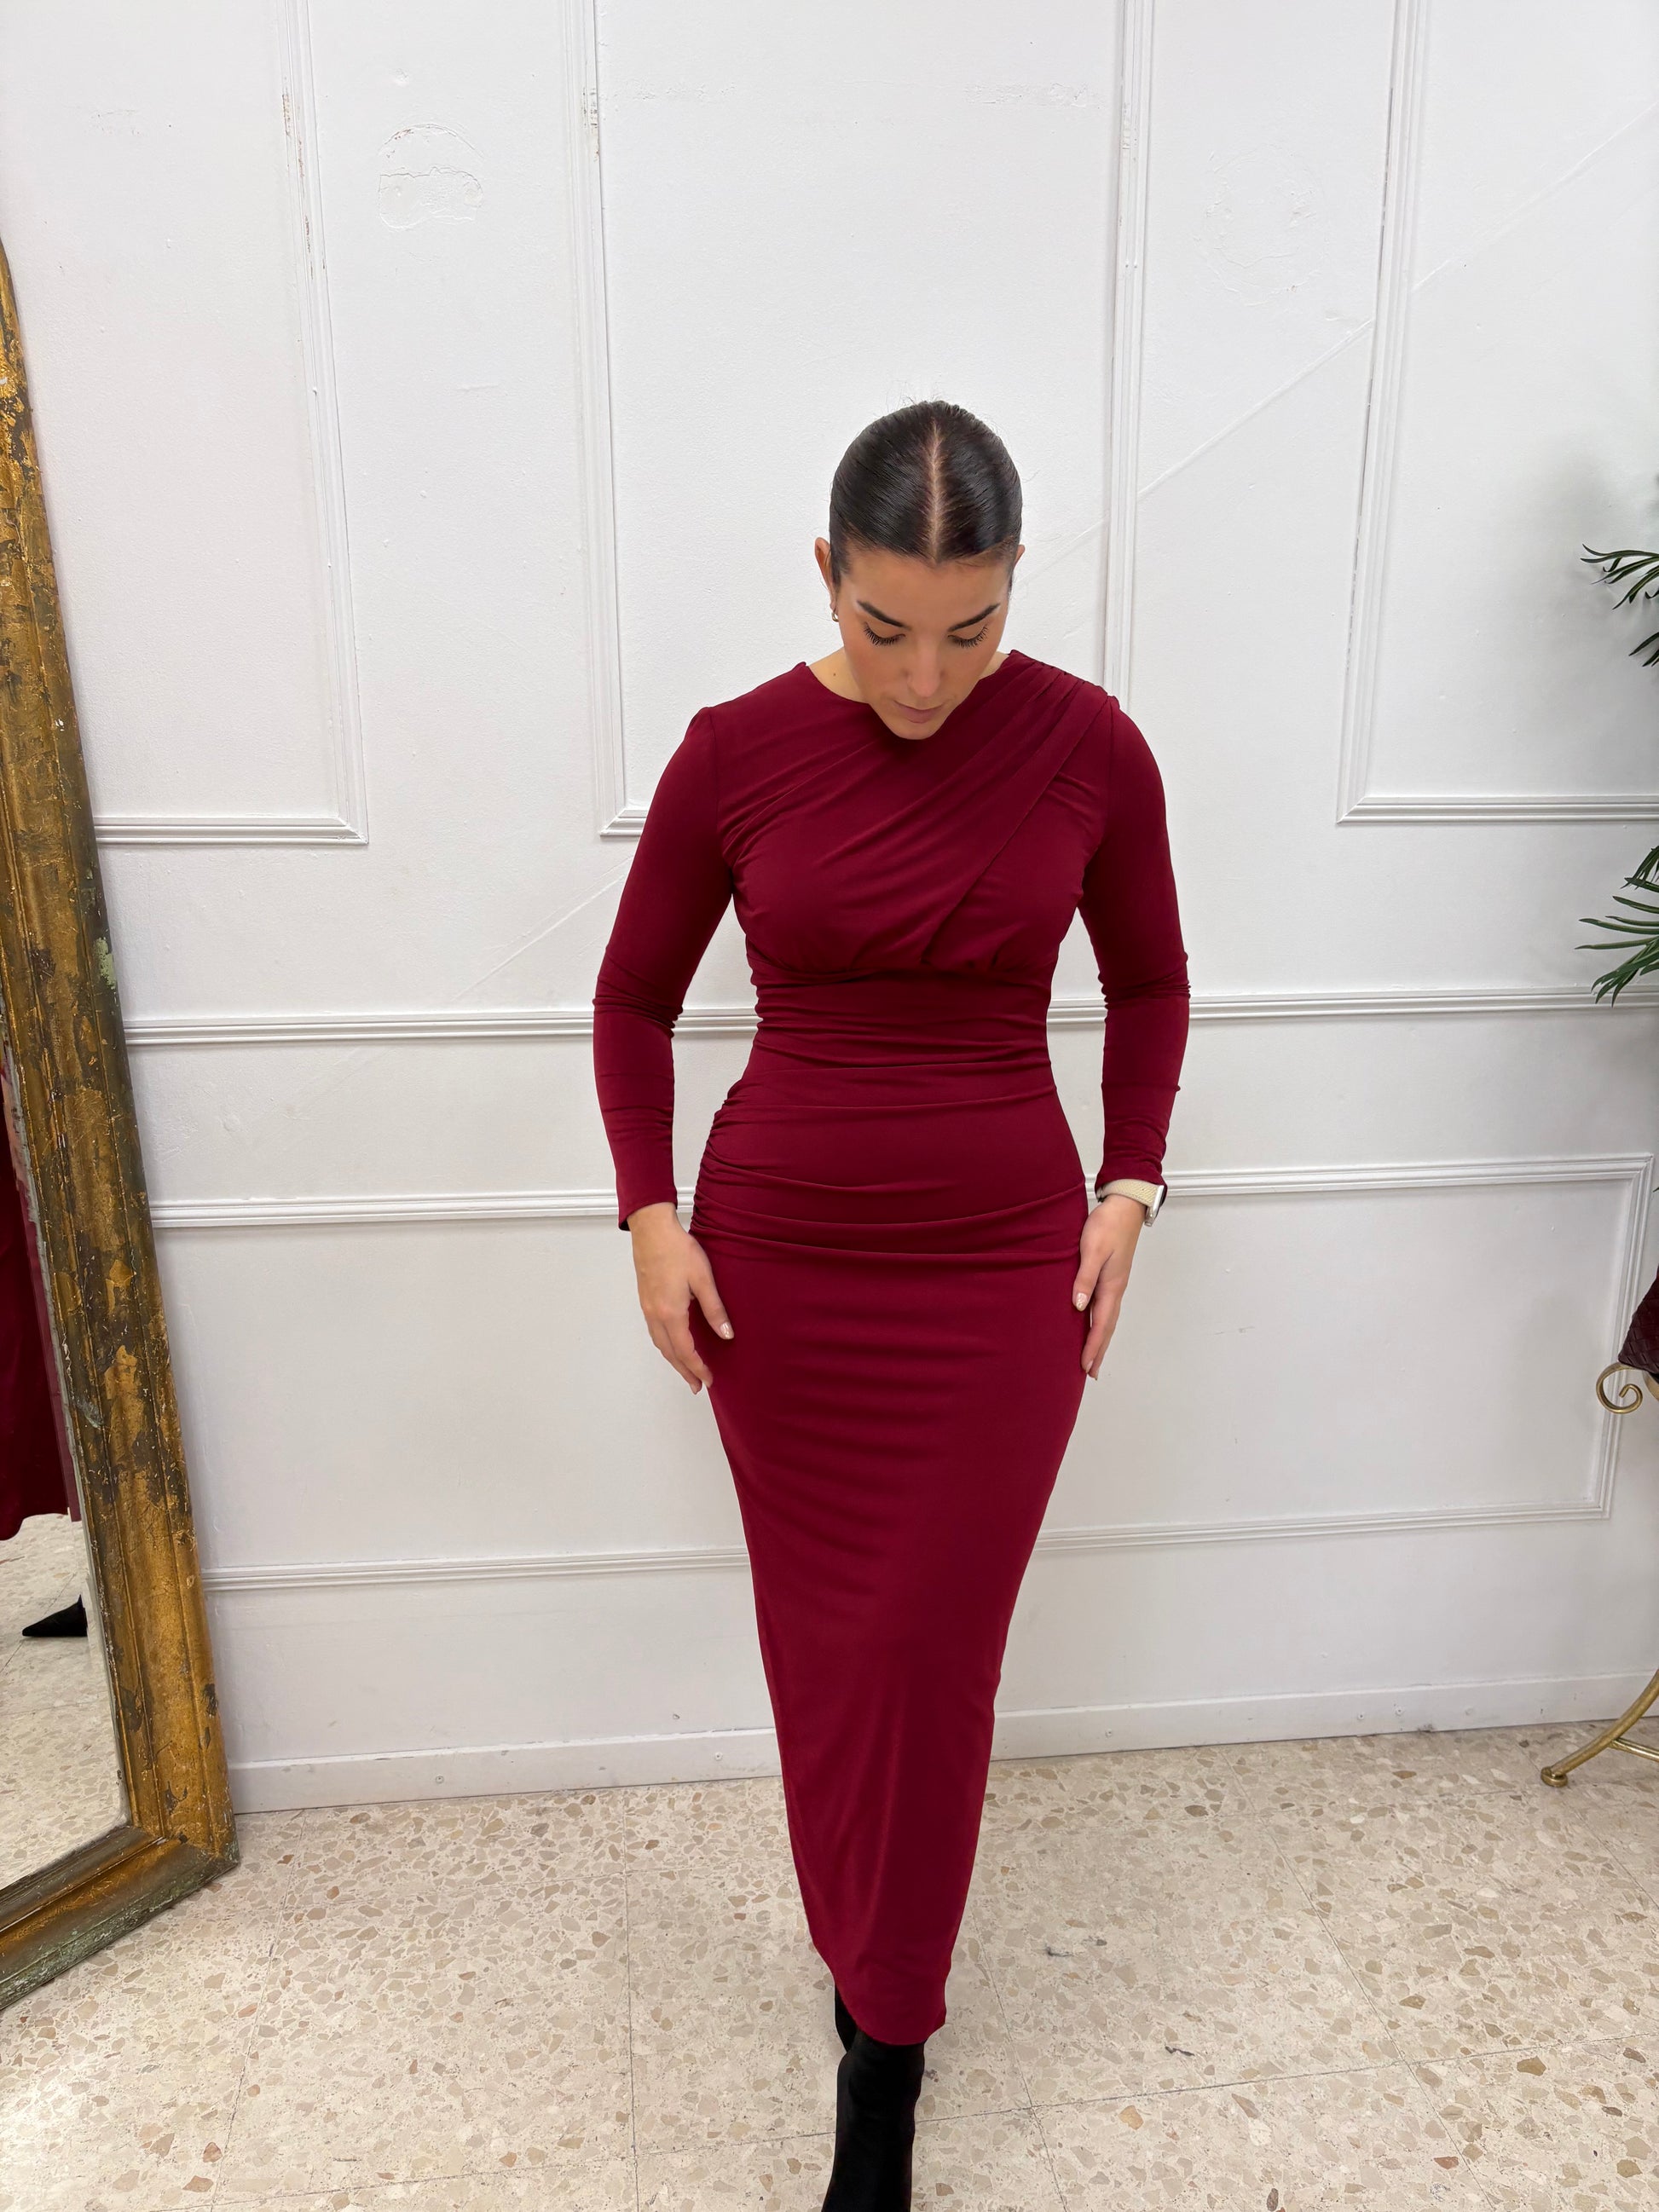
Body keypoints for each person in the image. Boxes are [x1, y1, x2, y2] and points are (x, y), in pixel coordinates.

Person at [592, 399, 1190, 2210]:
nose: (928, 677)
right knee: (831, 1653)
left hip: (1002, 1272)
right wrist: (648, 1214)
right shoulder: (733, 752)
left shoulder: (1090, 746)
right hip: (782, 1276)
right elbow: (631, 1001)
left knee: (934, 1654)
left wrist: (1132, 1181)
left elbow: (1151, 979)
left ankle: (887, 2051)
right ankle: (865, 1957)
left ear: (1013, 589)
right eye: (886, 627)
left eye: (971, 627)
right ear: (825, 576)